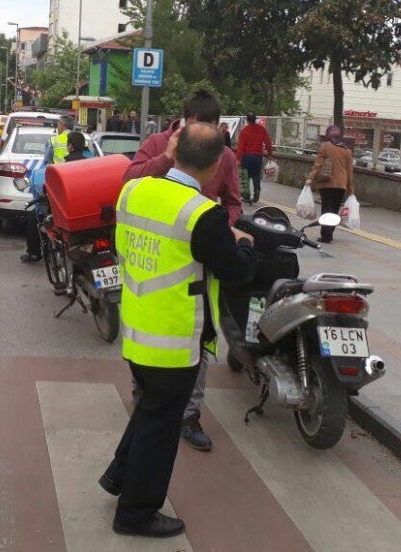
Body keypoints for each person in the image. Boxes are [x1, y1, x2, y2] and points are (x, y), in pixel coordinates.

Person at [100, 123, 256, 538]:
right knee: (161, 427)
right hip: (174, 338)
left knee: (150, 410)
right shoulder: (203, 214)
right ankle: (135, 513)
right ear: (217, 164)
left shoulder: (134, 191)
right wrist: (241, 242)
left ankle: (119, 476)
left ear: (175, 150)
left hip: (137, 326)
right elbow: (236, 273)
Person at [123, 89, 241, 452]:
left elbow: (233, 202)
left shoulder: (225, 156)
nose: (202, 135)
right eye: (195, 125)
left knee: (199, 335)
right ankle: (145, 390)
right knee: (144, 329)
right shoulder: (159, 144)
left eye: (209, 127)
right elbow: (131, 178)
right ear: (183, 121)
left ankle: (188, 414)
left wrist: (227, 229)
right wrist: (166, 157)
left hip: (201, 258)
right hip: (159, 255)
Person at [22, 130, 90, 263]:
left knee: (35, 218)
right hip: (85, 209)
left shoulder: (65, 166)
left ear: (70, 146)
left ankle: (34, 253)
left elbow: (54, 189)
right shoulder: (89, 164)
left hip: (66, 211)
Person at [306, 125, 355, 243]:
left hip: (327, 184)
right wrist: (351, 188)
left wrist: (310, 178)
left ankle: (325, 235)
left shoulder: (325, 147)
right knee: (334, 210)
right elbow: (349, 171)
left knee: (326, 209)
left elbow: (318, 164)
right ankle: (329, 233)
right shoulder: (347, 150)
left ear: (328, 135)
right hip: (341, 185)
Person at [236, 113, 274, 205]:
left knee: (246, 176)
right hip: (257, 157)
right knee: (256, 175)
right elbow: (268, 143)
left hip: (246, 156)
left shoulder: (244, 130)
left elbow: (241, 146)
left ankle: (246, 196)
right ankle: (257, 189)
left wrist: (238, 159)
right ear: (255, 119)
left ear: (247, 120)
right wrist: (270, 154)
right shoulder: (262, 129)